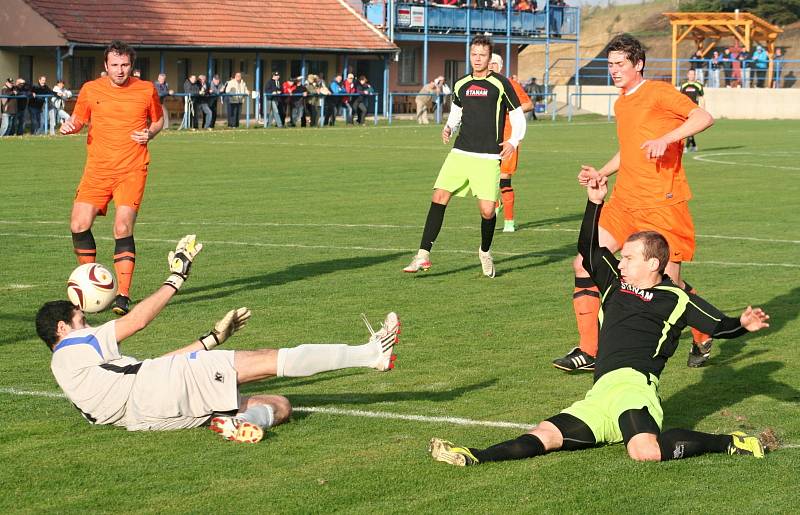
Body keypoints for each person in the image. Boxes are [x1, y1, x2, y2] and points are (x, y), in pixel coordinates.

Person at [429, 178, 771, 467]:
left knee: (644, 451)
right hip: (599, 393)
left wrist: (743, 322)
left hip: (635, 389)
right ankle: (474, 456)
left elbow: (720, 326)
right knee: (544, 435)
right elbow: (588, 249)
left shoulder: (676, 298)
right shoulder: (614, 284)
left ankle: (729, 441)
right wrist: (595, 203)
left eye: (628, 258)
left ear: (653, 263)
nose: (620, 263)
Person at [35, 235, 401, 443]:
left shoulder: (77, 372)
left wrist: (211, 339)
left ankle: (249, 422)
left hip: (155, 415)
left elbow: (155, 369)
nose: (87, 324)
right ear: (63, 329)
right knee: (267, 359)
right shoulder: (72, 347)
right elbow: (139, 320)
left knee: (280, 404)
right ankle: (371, 354)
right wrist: (177, 277)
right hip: (156, 389)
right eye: (81, 319)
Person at [552, 35, 715, 372]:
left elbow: (703, 117)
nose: (614, 70)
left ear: (637, 64)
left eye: (620, 64)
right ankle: (589, 350)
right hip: (624, 201)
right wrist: (602, 171)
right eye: (610, 65)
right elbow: (629, 151)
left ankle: (702, 333)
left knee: (669, 287)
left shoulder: (658, 92)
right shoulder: (622, 102)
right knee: (585, 262)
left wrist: (666, 138)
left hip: (662, 205)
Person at [403, 35, 526, 278]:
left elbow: (518, 116)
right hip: (460, 152)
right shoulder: (461, 84)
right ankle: (423, 254)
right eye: (474, 54)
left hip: (488, 157)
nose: (477, 58)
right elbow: (457, 111)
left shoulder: (501, 84)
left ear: (489, 58)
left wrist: (513, 141)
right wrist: (449, 127)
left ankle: (485, 251)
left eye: (482, 54)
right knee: (439, 196)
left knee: (488, 211)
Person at [60, 40, 164, 316]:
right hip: (97, 170)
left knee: (122, 228)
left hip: (132, 169)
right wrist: (71, 126)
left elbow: (158, 120)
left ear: (132, 65)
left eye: (125, 65)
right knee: (79, 224)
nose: (120, 70)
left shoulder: (146, 89)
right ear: (105, 66)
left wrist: (150, 133)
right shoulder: (91, 89)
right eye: (115, 65)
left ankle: (123, 295)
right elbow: (79, 118)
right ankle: (89, 278)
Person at [488, 54, 533, 233]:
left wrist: (511, 107)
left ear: (500, 66)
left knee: (504, 179)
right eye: (488, 62)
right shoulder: (485, 85)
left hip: (508, 139)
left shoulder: (510, 84)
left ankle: (509, 221)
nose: (489, 66)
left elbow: (528, 104)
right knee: (485, 180)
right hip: (488, 139)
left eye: (493, 63)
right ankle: (497, 203)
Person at [679, 69, 704, 152]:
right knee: (689, 128)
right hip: (685, 110)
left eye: (693, 74)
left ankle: (686, 147)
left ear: (695, 76)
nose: (691, 76)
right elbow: (680, 98)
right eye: (690, 74)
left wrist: (703, 110)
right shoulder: (684, 86)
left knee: (690, 128)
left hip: (694, 110)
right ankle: (693, 145)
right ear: (687, 75)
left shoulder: (698, 85)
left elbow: (702, 98)